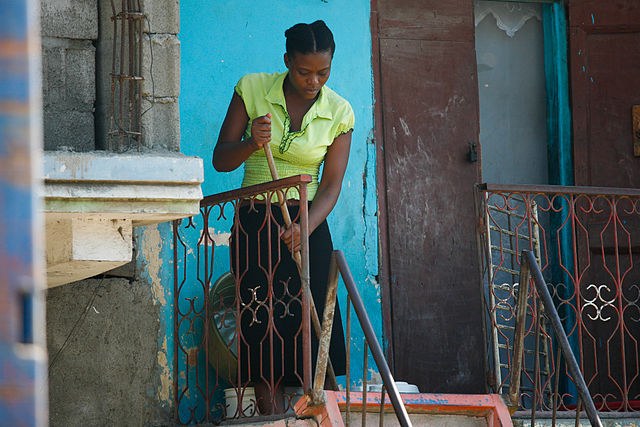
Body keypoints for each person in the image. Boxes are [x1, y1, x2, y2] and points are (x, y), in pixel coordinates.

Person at [212, 20, 354, 415]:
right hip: (256, 223)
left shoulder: (339, 111)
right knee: (262, 329)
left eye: (323, 73)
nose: (313, 81)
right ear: (287, 61)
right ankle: (272, 419)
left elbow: (331, 187)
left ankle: (325, 414)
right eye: (304, 71)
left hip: (308, 225)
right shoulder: (252, 89)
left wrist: (303, 226)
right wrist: (250, 144)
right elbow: (221, 161)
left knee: (315, 325)